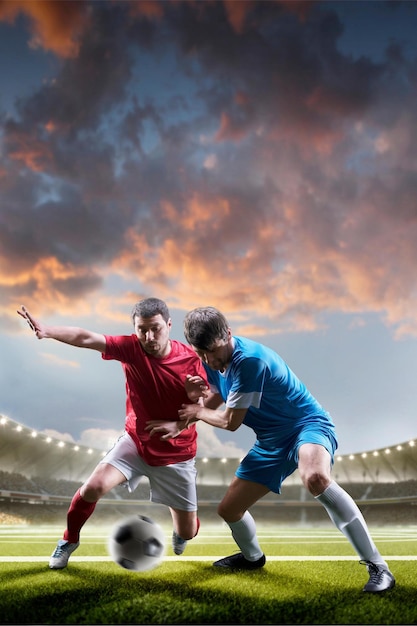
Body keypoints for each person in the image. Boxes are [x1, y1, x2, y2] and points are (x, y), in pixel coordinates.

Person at [176, 306, 394, 593]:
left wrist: (197, 412)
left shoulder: (249, 361)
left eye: (213, 352)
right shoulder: (208, 360)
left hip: (306, 424)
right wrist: (187, 417)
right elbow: (215, 395)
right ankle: (253, 559)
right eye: (201, 353)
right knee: (229, 509)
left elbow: (230, 422)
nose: (208, 360)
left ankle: (378, 566)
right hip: (271, 440)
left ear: (228, 334)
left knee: (315, 477)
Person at [17, 298, 207, 569]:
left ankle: (182, 530)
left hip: (176, 454)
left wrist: (182, 421)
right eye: (142, 330)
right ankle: (69, 540)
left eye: (155, 329)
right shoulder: (130, 348)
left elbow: (205, 407)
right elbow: (86, 337)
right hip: (136, 443)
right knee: (92, 488)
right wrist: (47, 331)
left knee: (188, 531)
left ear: (168, 324)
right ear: (134, 328)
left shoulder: (191, 360)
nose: (149, 337)